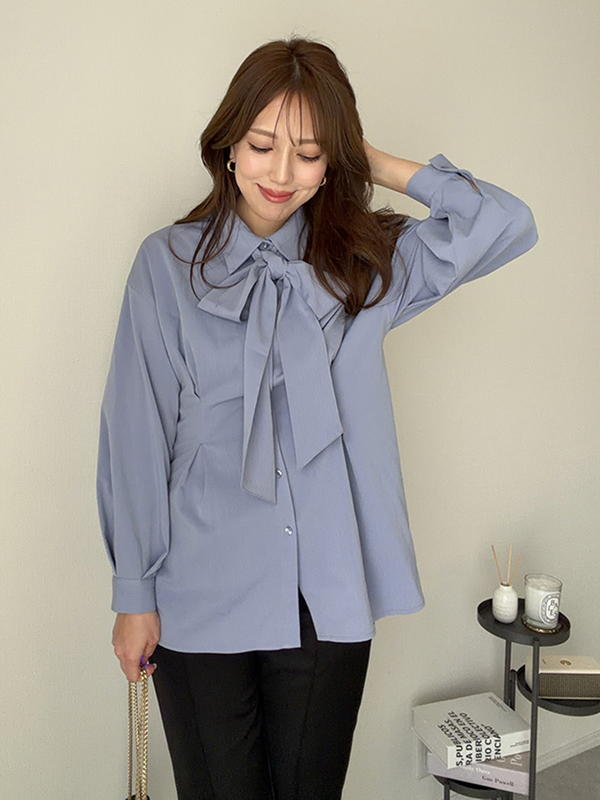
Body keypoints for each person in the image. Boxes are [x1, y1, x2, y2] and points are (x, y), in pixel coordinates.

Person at [97, 36, 538, 800]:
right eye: (262, 144)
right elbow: (135, 437)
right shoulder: (166, 267)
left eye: (308, 153)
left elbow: (505, 221)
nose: (280, 173)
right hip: (199, 590)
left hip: (326, 600)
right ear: (228, 145)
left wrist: (371, 161)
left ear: (333, 160)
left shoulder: (364, 264)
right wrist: (134, 592)